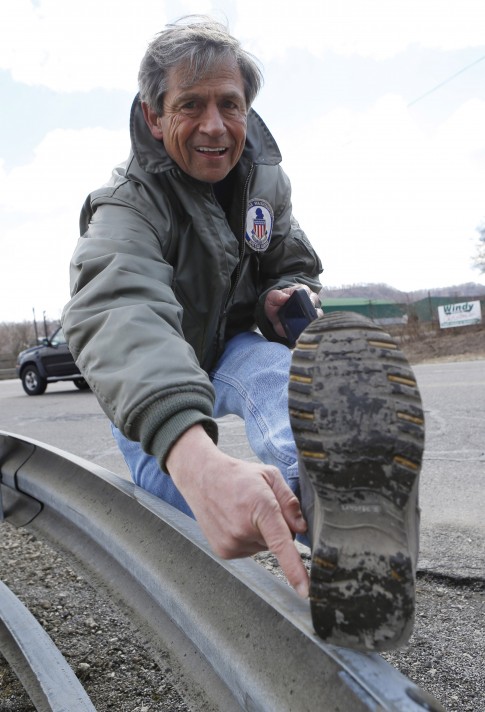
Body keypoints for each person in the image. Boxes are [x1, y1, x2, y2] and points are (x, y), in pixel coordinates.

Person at [63, 16, 424, 651]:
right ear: (154, 116)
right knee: (179, 503)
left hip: (231, 344)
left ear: (247, 108)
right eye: (190, 105)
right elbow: (118, 309)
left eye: (229, 104)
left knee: (276, 374)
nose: (214, 125)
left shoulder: (266, 181)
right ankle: (244, 530)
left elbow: (290, 258)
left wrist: (288, 290)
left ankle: (335, 503)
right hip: (156, 371)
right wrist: (197, 462)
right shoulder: (125, 205)